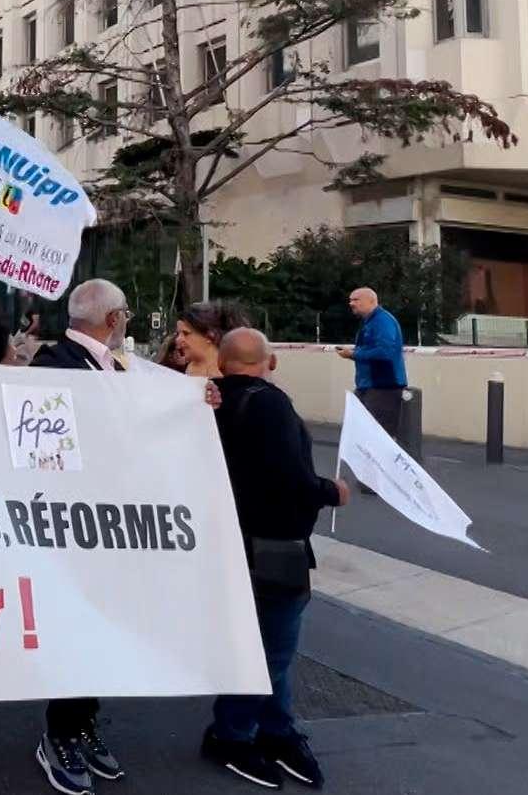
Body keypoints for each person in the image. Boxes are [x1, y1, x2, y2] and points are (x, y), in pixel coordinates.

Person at [204, 328, 349, 790]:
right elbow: (290, 476)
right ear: (270, 361)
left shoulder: (205, 402)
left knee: (262, 645)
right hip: (274, 547)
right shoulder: (270, 403)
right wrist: (332, 491)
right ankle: (234, 734)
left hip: (227, 540)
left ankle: (274, 729)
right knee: (274, 647)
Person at [27, 278, 130, 794]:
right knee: (76, 633)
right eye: (126, 314)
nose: (127, 322)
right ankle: (59, 734)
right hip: (71, 530)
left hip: (110, 529)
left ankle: (84, 722)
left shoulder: (117, 366)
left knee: (102, 632)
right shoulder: (54, 366)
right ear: (112, 320)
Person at [337, 287, 406, 438]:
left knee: (378, 436)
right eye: (350, 300)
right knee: (364, 435)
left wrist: (354, 354)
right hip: (369, 387)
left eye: (356, 300)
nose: (351, 303)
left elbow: (385, 352)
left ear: (371, 301)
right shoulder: (370, 322)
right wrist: (355, 353)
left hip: (382, 387)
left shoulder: (382, 321)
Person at [173, 301, 248, 379]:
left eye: (186, 333)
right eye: (178, 334)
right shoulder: (186, 369)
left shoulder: (233, 372)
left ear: (210, 336)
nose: (178, 339)